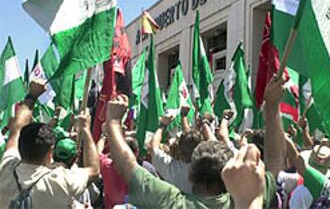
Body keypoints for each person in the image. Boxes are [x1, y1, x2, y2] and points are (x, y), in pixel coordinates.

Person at [106, 94, 279, 208]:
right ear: (227, 177)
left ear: (191, 175)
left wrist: (113, 121)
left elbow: (126, 165)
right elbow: (275, 161)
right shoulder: (246, 197)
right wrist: (272, 109)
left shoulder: (171, 202)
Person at [0, 80, 100, 208]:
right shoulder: (60, 181)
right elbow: (94, 170)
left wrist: (32, 95)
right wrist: (85, 129)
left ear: (20, 147)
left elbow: (17, 128)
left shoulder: (6, 168)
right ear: (50, 152)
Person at [148, 105, 203, 193]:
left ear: (179, 150)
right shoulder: (207, 168)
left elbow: (152, 147)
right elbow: (190, 141)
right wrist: (183, 116)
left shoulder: (170, 167)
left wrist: (162, 125)